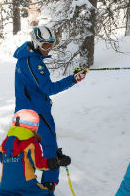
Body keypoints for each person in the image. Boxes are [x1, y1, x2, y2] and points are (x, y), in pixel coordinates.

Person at [13, 26, 87, 191]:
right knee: (49, 145)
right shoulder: (33, 62)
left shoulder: (25, 58)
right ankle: (49, 184)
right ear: (35, 43)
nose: (48, 49)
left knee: (26, 147)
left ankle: (24, 184)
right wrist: (73, 79)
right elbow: (49, 88)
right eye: (45, 46)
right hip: (36, 112)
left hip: (25, 111)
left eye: (51, 45)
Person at [0, 109, 71, 196]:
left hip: (5, 186)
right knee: (47, 194)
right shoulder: (31, 143)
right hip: (26, 185)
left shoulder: (5, 142)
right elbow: (39, 164)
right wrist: (57, 162)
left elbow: (0, 156)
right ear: (34, 126)